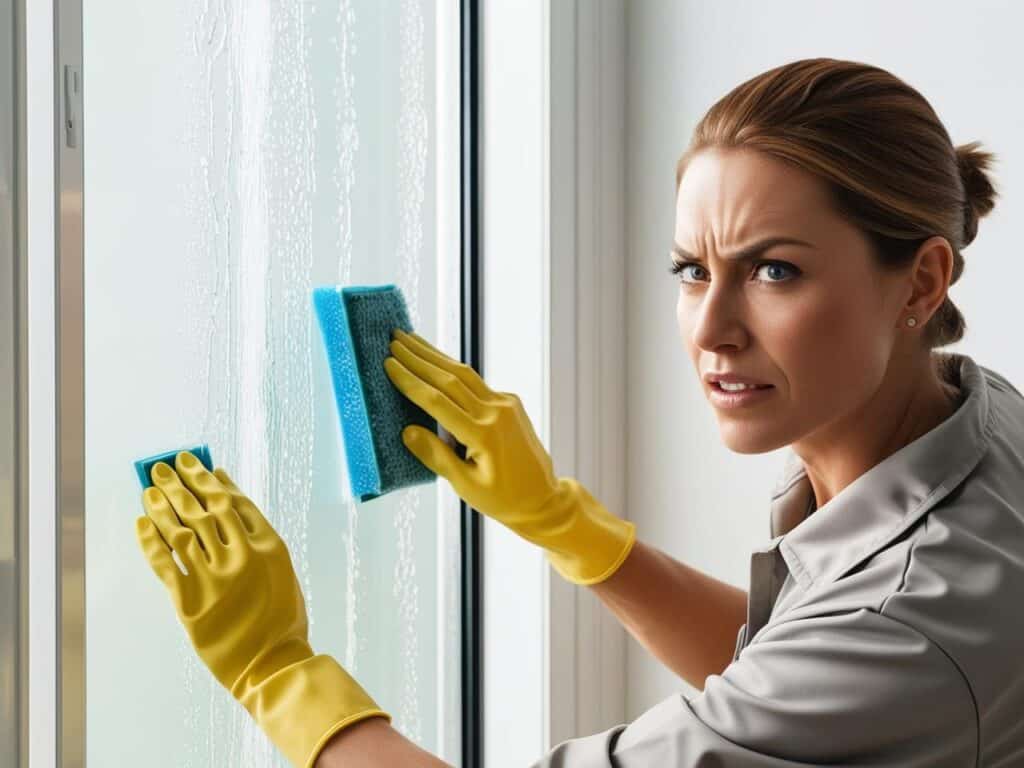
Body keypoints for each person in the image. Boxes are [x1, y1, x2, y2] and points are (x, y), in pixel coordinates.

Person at [136, 56, 1024, 767]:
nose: (712, 330)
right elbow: (791, 681)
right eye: (692, 270)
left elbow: (851, 668)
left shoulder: (913, 626)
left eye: (773, 270)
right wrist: (568, 524)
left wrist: (279, 673)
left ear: (922, 279)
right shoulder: (974, 423)